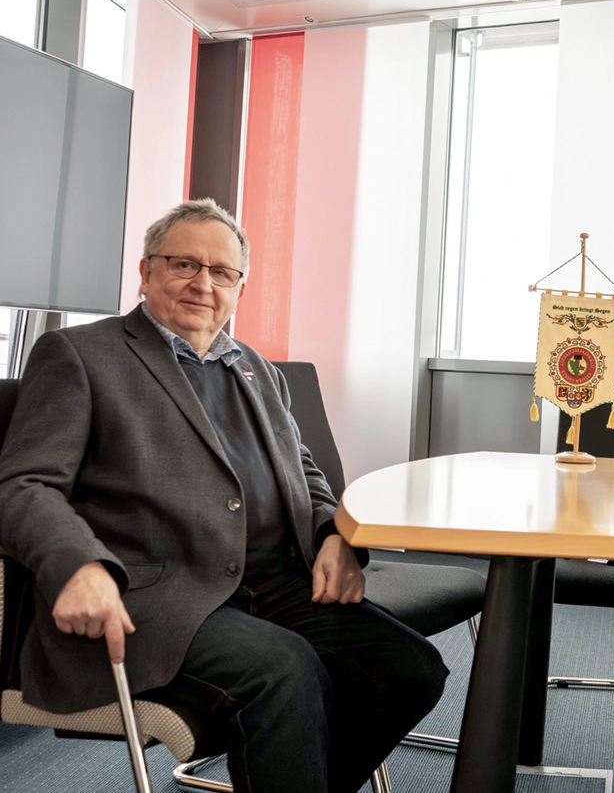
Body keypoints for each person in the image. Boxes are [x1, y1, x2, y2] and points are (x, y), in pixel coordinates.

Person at [0, 199, 448, 793]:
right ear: (146, 270)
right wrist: (77, 564)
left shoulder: (257, 368)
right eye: (184, 264)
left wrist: (331, 536)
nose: (202, 284)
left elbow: (306, 474)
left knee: (410, 670)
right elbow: (26, 484)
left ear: (239, 286)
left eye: (221, 272)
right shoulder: (82, 356)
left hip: (277, 584)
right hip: (157, 596)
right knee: (284, 673)